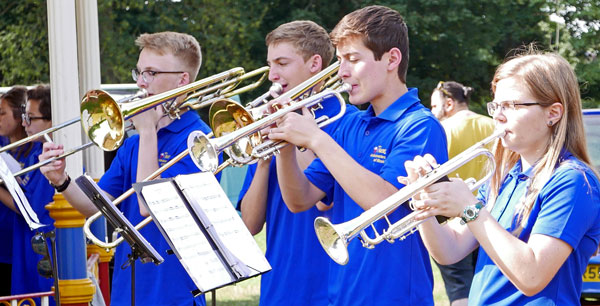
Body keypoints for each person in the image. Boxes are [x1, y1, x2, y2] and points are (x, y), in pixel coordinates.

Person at [268, 6, 447, 305]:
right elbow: (300, 200)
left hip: (396, 296)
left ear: (391, 59)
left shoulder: (419, 126)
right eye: (340, 61)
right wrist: (284, 146)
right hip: (343, 293)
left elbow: (384, 202)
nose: (342, 72)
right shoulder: (351, 124)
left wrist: (315, 138)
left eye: (353, 59)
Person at [402, 51, 600, 305]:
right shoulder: (504, 177)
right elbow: (448, 250)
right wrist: (423, 201)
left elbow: (532, 276)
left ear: (553, 113)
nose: (498, 116)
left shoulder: (572, 180)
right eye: (496, 105)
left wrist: (470, 209)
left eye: (512, 105)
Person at [40, 32, 212, 306]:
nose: (141, 83)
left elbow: (149, 206)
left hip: (174, 293)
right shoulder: (133, 145)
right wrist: (62, 180)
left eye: (152, 73)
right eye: (140, 72)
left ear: (182, 80)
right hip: (128, 291)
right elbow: (99, 208)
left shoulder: (200, 140)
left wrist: (147, 134)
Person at [237, 20, 356, 306]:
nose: (272, 75)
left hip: (327, 285)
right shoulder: (272, 124)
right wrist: (264, 160)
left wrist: (297, 136)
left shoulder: (347, 120)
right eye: (270, 65)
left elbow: (319, 201)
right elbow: (250, 224)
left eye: (282, 63)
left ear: (315, 63)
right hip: (279, 285)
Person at [429, 80, 494, 306]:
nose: (431, 112)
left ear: (448, 104)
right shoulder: (492, 125)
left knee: (459, 291)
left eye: (433, 106)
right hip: (489, 216)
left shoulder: (441, 129)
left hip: (454, 221)